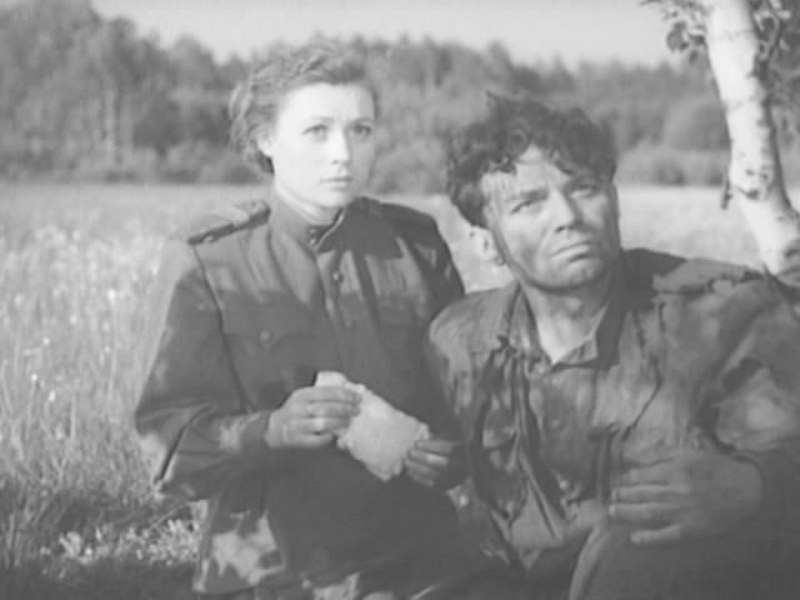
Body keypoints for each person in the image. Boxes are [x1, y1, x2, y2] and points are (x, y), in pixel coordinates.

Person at [135, 43, 492, 600]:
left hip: (425, 564)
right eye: (317, 131)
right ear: (265, 139)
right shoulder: (209, 259)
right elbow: (169, 451)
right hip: (274, 576)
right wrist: (271, 430)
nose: (343, 154)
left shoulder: (416, 246)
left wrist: (450, 455)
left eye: (361, 130)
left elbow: (466, 405)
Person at [426, 94, 800, 600]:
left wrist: (751, 485)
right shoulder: (459, 342)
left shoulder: (724, 315)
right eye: (529, 203)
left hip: (680, 581)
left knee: (638, 550)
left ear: (615, 201)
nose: (568, 216)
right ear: (486, 244)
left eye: (584, 188)